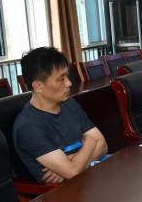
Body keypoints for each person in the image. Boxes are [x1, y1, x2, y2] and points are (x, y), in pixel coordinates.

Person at [13, 47, 108, 184]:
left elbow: (103, 146)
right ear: (38, 86)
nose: (69, 83)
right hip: (66, 192)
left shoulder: (69, 103)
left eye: (67, 76)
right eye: (61, 79)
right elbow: (72, 172)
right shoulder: (28, 127)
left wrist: (72, 162)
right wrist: (90, 141)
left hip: (91, 177)